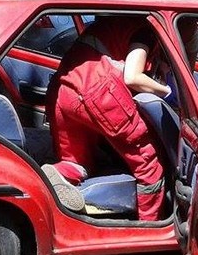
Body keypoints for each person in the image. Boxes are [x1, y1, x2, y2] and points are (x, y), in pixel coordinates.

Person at [46, 16, 172, 221]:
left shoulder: (114, 24)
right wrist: (167, 91)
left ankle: (55, 176)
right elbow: (132, 76)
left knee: (77, 163)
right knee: (148, 164)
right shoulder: (146, 30)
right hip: (100, 95)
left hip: (64, 92)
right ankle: (149, 229)